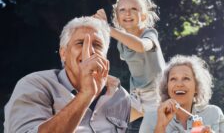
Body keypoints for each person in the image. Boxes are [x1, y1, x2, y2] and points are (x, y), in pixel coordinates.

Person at [3, 16, 131, 133]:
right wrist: (86, 94)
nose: (90, 51)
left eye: (97, 45)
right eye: (80, 43)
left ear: (105, 55)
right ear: (63, 54)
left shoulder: (121, 96)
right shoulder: (35, 85)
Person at [94, 0, 165, 127]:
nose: (128, 13)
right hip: (138, 97)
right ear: (117, 18)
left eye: (134, 9)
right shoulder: (122, 42)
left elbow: (140, 46)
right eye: (122, 10)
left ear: (143, 16)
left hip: (157, 96)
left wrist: (108, 29)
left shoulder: (149, 34)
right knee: (106, 122)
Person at [140, 55, 224, 133]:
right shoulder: (151, 117)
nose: (179, 84)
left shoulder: (214, 113)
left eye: (186, 78)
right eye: (173, 79)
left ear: (196, 87)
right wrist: (161, 126)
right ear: (166, 86)